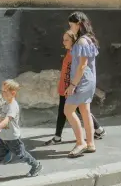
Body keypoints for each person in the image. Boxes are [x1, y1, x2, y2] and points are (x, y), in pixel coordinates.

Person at [44, 30, 106, 146]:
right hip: (67, 87)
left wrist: (71, 87)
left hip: (71, 88)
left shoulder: (76, 54)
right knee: (77, 110)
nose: (63, 42)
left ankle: (78, 140)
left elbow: (78, 70)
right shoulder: (70, 52)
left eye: (66, 40)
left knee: (72, 110)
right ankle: (98, 130)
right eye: (63, 39)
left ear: (74, 40)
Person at [0, 79, 42, 181]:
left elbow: (6, 121)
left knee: (22, 155)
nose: (2, 93)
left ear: (13, 93)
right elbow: (1, 119)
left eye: (4, 91)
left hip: (13, 138)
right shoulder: (6, 104)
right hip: (4, 137)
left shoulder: (13, 106)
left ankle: (36, 165)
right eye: (2, 91)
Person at [64, 12, 99, 158]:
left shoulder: (82, 42)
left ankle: (81, 143)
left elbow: (82, 66)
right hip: (88, 81)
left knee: (68, 111)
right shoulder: (89, 40)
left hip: (81, 82)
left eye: (71, 25)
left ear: (78, 24)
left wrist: (72, 85)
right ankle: (90, 143)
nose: (70, 28)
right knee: (85, 111)